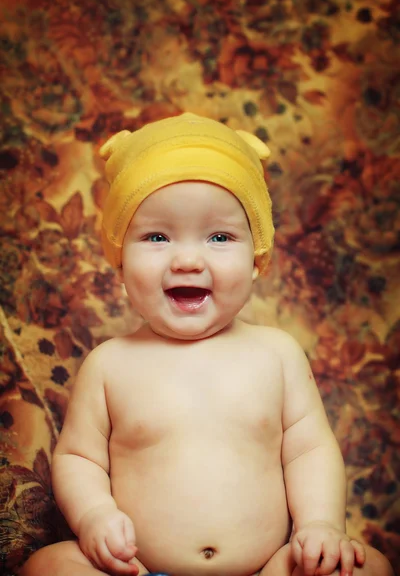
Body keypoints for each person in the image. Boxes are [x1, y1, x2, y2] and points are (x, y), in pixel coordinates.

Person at [20, 113, 394, 576]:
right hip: (137, 569)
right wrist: (95, 514)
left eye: (220, 237)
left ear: (256, 258)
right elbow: (78, 457)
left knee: (365, 566)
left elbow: (309, 450)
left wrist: (319, 525)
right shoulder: (109, 364)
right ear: (119, 261)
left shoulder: (276, 355)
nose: (189, 259)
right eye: (156, 237)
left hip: (267, 570)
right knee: (50, 565)